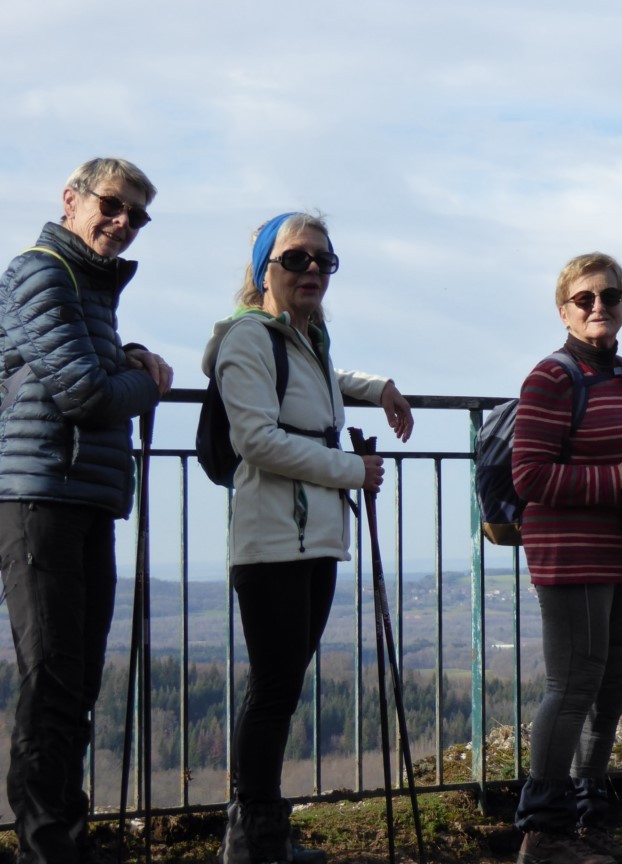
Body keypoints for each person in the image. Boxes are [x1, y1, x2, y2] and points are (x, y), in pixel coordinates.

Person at [202, 212, 414, 864]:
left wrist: (375, 388)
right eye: (296, 259)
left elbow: (317, 386)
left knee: (283, 686)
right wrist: (354, 469)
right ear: (265, 269)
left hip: (313, 537)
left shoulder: (305, 337)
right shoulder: (247, 339)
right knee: (272, 690)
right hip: (271, 541)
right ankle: (251, 840)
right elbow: (255, 439)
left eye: (325, 260)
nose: (314, 270)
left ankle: (262, 834)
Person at [0, 157, 172, 864]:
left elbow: (89, 368)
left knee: (73, 681)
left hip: (77, 495)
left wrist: (126, 354)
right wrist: (142, 380)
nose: (123, 222)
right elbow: (88, 396)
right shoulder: (43, 271)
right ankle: (47, 847)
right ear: (71, 198)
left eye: (137, 215)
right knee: (52, 681)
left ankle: (61, 838)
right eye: (112, 204)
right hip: (40, 497)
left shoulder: (86, 287)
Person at [512, 253, 622, 864]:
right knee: (572, 687)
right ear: (564, 311)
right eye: (585, 298)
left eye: (611, 296)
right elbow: (529, 476)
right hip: (571, 557)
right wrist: (617, 476)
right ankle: (543, 831)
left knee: (610, 690)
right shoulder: (551, 378)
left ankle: (588, 819)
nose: (599, 306)